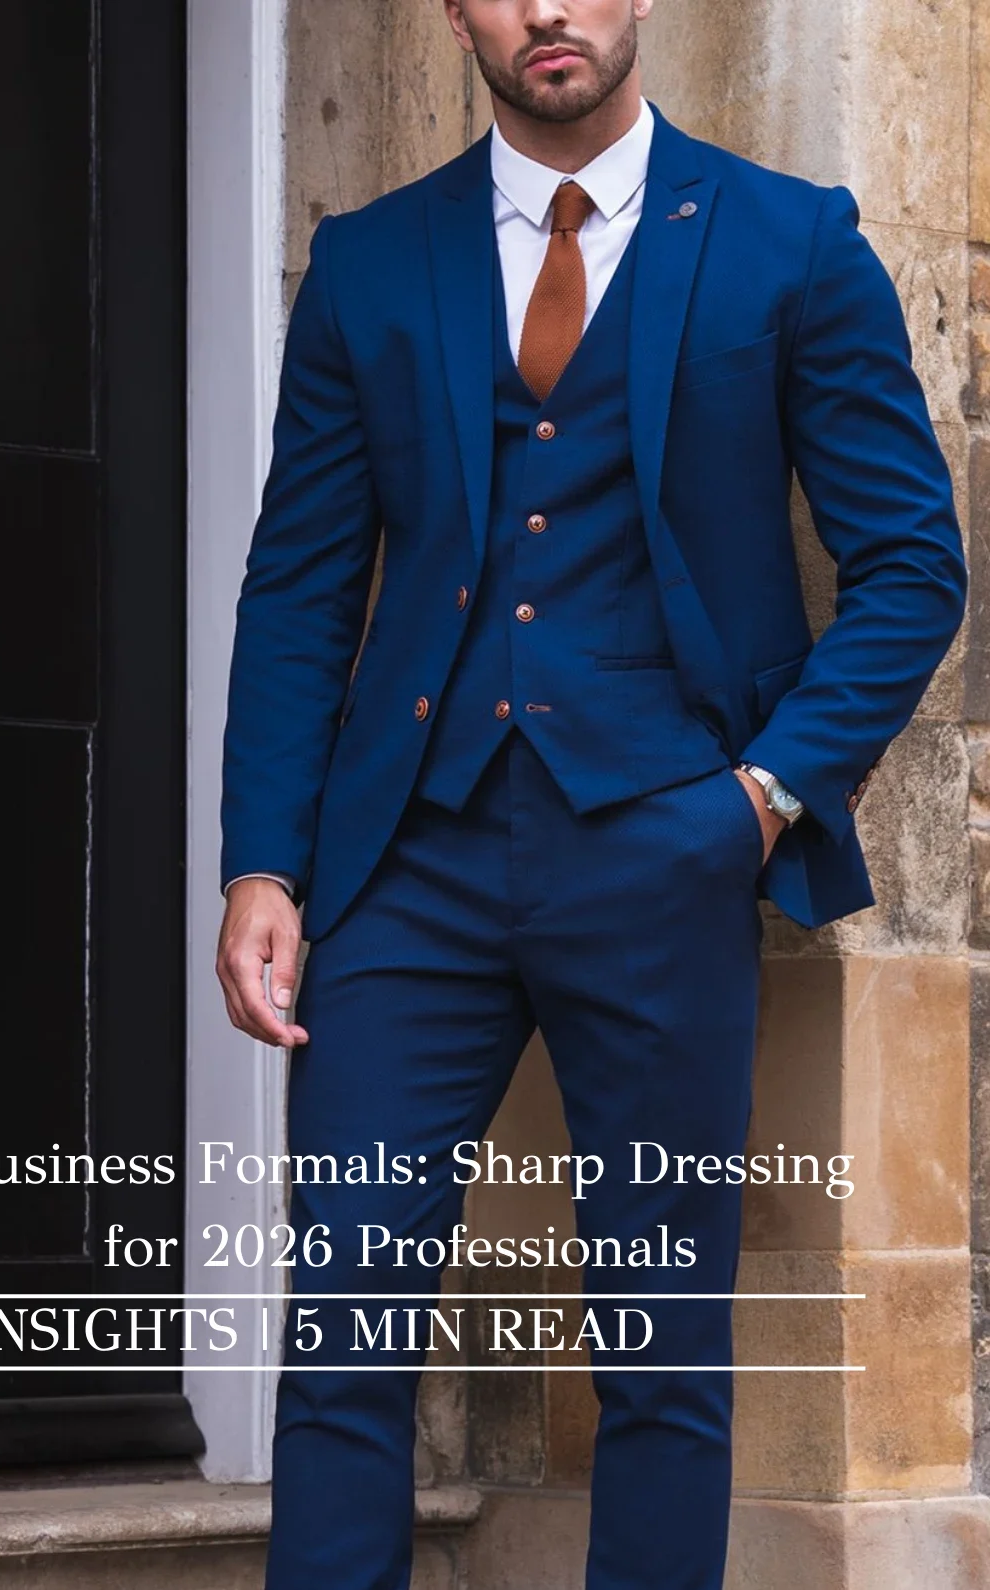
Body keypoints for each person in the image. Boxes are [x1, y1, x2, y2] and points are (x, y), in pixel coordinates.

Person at [216, 2, 967, 1585]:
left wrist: (761, 797)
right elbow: (298, 589)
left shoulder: (793, 246)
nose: (547, 10)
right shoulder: (369, 263)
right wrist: (262, 867)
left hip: (666, 850)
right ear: (457, 16)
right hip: (406, 868)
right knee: (344, 1322)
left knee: (662, 1350)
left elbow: (912, 565)